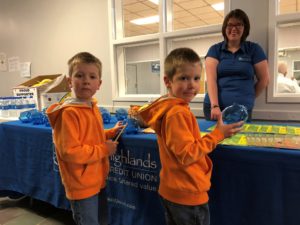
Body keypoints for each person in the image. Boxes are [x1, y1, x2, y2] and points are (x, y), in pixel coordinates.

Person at [138, 48, 243, 225]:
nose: (191, 85)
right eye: (184, 78)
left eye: (196, 78)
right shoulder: (177, 112)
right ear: (168, 81)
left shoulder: (172, 107)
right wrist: (218, 134)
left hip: (174, 190)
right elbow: (187, 154)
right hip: (186, 194)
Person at [46, 52, 123, 225]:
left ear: (99, 83)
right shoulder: (69, 114)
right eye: (79, 75)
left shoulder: (92, 107)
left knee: (102, 220)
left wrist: (110, 133)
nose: (86, 80)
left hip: (97, 179)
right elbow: (70, 152)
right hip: (81, 186)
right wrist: (104, 149)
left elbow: (90, 137)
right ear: (69, 81)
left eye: (92, 76)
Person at [203, 9, 270, 121]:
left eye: (239, 24)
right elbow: (211, 80)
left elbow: (264, 79)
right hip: (216, 109)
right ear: (225, 28)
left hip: (243, 110)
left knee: (240, 138)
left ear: (245, 28)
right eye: (230, 25)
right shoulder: (215, 49)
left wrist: (249, 97)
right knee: (215, 138)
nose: (234, 28)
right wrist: (215, 106)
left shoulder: (254, 49)